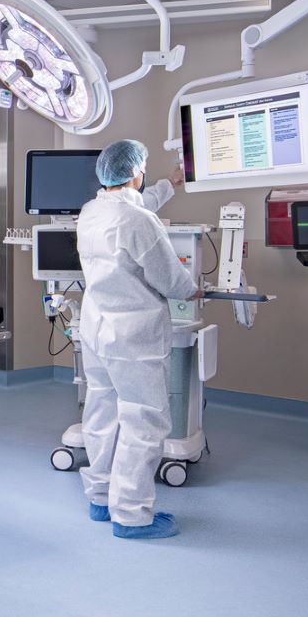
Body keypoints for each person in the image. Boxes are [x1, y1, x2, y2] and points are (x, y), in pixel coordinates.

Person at [75, 138, 198, 540]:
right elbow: (170, 279)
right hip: (133, 334)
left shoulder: (92, 211)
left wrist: (171, 184)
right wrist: (196, 289)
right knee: (143, 419)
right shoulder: (139, 222)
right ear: (135, 173)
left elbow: (137, 207)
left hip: (95, 326)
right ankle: (130, 514)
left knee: (102, 412)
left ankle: (99, 496)